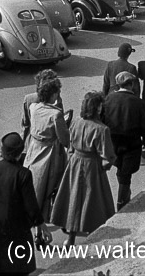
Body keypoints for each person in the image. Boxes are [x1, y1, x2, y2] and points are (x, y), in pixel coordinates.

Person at [0, 132, 49, 275]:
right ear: (19, 153)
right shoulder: (23, 174)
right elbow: (31, 206)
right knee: (16, 264)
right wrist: (42, 225)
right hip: (13, 225)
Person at [51, 92, 116, 246]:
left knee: (73, 198)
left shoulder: (76, 122)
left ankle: (71, 238)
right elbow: (107, 155)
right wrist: (108, 164)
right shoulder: (102, 129)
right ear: (98, 108)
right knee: (93, 201)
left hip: (75, 163)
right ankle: (92, 236)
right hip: (91, 166)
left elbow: (70, 143)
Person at [103, 71, 145, 210]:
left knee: (120, 170)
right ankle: (121, 201)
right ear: (131, 84)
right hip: (131, 144)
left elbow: (102, 121)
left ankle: (123, 196)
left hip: (113, 143)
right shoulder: (138, 102)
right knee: (126, 174)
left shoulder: (108, 99)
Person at [23, 79, 70, 218]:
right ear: (53, 94)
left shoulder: (33, 107)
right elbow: (64, 139)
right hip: (49, 153)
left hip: (34, 148)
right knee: (48, 186)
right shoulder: (56, 114)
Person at [21, 70, 61, 142]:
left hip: (33, 138)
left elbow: (25, 124)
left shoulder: (29, 99)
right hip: (51, 141)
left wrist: (22, 141)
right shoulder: (56, 99)